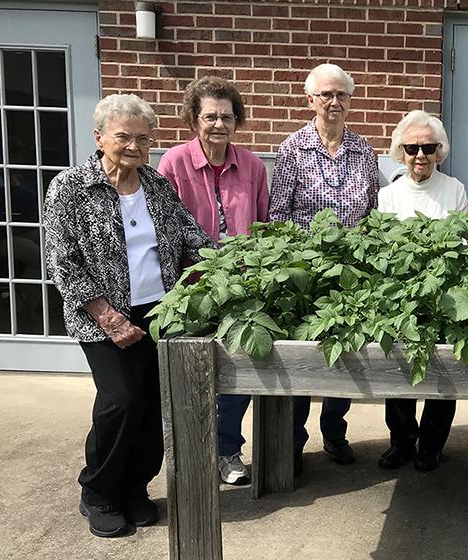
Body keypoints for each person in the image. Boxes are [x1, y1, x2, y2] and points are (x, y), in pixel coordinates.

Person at [43, 94, 213, 538]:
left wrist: (220, 266)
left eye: (143, 138)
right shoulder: (70, 187)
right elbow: (62, 261)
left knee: (155, 405)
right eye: (123, 136)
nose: (134, 146)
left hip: (159, 311)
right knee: (120, 402)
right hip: (102, 312)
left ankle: (136, 488)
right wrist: (106, 315)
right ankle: (98, 492)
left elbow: (192, 237)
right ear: (100, 138)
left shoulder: (156, 185)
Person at [158, 76, 269, 486]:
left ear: (236, 120)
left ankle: (226, 449)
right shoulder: (173, 164)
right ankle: (191, 452)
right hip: (193, 285)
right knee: (191, 370)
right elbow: (165, 228)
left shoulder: (253, 166)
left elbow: (262, 228)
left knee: (239, 369)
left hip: (240, 285)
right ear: (193, 120)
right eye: (210, 116)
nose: (219, 124)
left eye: (226, 116)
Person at [269, 63, 380, 473]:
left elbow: (372, 211)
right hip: (305, 274)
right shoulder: (292, 149)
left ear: (350, 100)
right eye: (326, 95)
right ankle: (295, 442)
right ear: (310, 99)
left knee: (345, 353)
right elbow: (278, 214)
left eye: (342, 95)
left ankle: (334, 432)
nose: (334, 102)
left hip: (351, 272)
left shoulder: (363, 149)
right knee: (301, 355)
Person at [376, 110, 468, 472]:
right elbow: (383, 247)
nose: (420, 155)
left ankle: (431, 444)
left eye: (428, 147)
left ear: (439, 151)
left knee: (443, 369)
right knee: (398, 365)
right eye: (412, 147)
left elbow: (462, 242)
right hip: (400, 295)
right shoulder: (389, 196)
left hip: (443, 293)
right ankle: (401, 441)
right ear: (401, 150)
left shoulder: (454, 189)